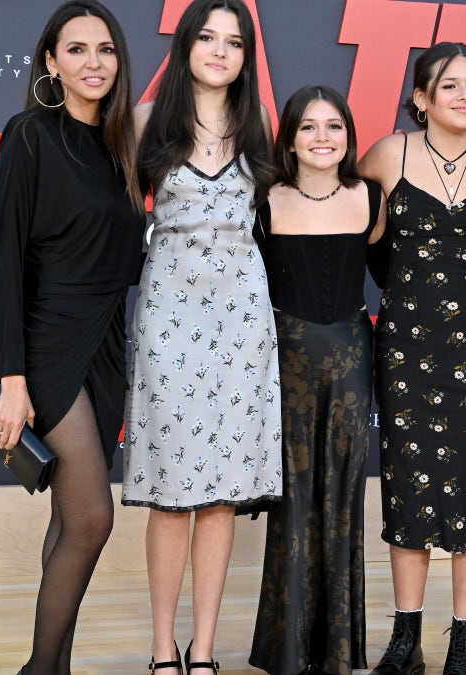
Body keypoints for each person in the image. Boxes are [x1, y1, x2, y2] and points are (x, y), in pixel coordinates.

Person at [0, 2, 144, 673]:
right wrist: (12, 383)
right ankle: (41, 669)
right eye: (75, 50)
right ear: (51, 62)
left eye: (105, 50)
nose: (93, 63)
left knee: (67, 521)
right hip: (49, 344)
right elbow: (3, 261)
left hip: (107, 345)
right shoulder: (29, 136)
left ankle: (51, 665)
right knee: (91, 517)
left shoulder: (121, 151)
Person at [120, 1, 281, 673]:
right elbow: (112, 220)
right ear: (185, 45)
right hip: (168, 317)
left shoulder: (258, 127)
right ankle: (163, 649)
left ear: (246, 56)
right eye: (208, 38)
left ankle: (205, 649)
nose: (221, 51)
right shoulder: (142, 122)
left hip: (243, 322)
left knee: (219, 492)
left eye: (234, 42)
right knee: (169, 490)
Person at [358, 42, 466, 675]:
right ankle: (406, 637)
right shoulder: (387, 153)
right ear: (420, 98)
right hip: (408, 348)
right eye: (448, 85)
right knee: (410, 485)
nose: (465, 96)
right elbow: (360, 241)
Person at [248, 85, 387, 675]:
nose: (323, 137)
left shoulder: (372, 198)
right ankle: (288, 648)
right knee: (294, 499)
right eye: (309, 127)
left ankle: (336, 650)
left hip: (353, 362)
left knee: (344, 501)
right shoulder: (264, 200)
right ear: (288, 138)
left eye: (335, 126)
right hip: (287, 364)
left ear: (349, 137)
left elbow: (396, 278)